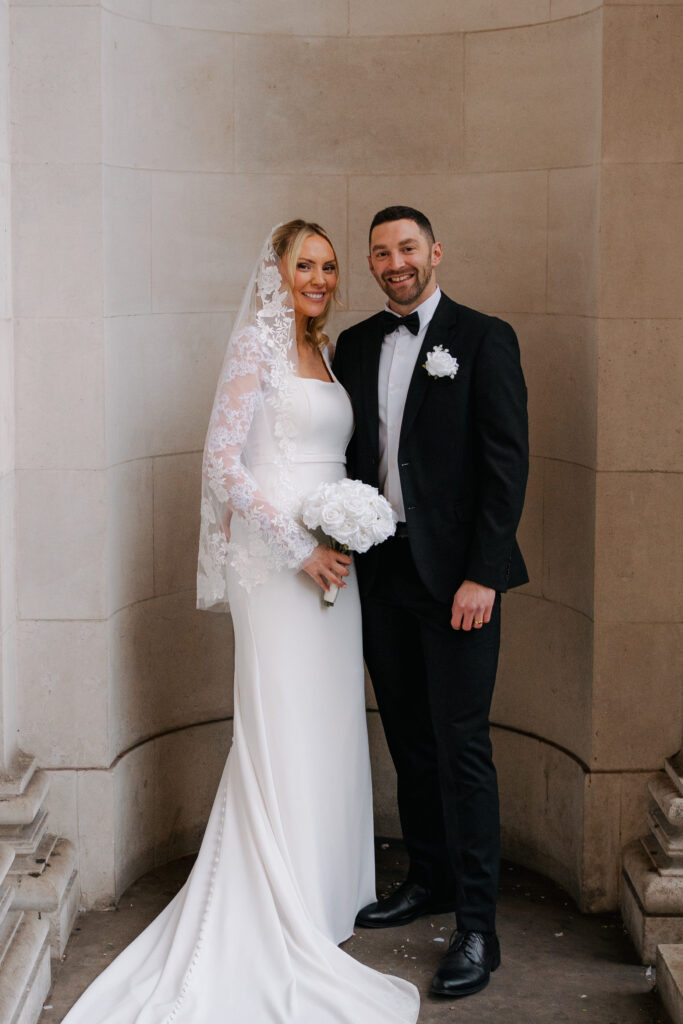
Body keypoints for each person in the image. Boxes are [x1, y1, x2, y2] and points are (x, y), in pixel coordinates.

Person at [61, 221, 419, 1023]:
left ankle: (326, 896)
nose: (319, 278)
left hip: (336, 564)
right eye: (305, 265)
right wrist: (300, 549)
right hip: (279, 568)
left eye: (329, 266)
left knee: (328, 724)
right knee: (283, 722)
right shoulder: (258, 349)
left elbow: (327, 459)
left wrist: (345, 528)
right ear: (275, 273)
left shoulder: (324, 353)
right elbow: (224, 463)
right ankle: (275, 902)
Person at [332, 205, 529, 1000]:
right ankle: (430, 877)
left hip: (458, 585)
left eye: (406, 248)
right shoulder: (353, 345)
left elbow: (505, 465)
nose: (393, 262)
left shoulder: (483, 338)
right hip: (379, 576)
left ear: (435, 252)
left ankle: (478, 924)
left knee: (462, 749)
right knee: (410, 740)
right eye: (380, 252)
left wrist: (482, 572)